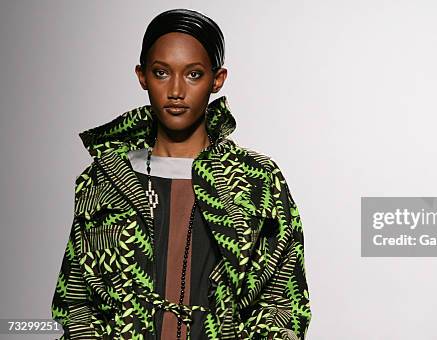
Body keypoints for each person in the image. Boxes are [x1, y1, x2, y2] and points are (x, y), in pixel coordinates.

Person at [51, 8, 311, 340]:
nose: (176, 90)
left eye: (193, 74)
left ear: (217, 80)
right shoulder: (104, 178)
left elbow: (281, 299)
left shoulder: (257, 180)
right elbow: (76, 300)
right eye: (161, 73)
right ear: (142, 76)